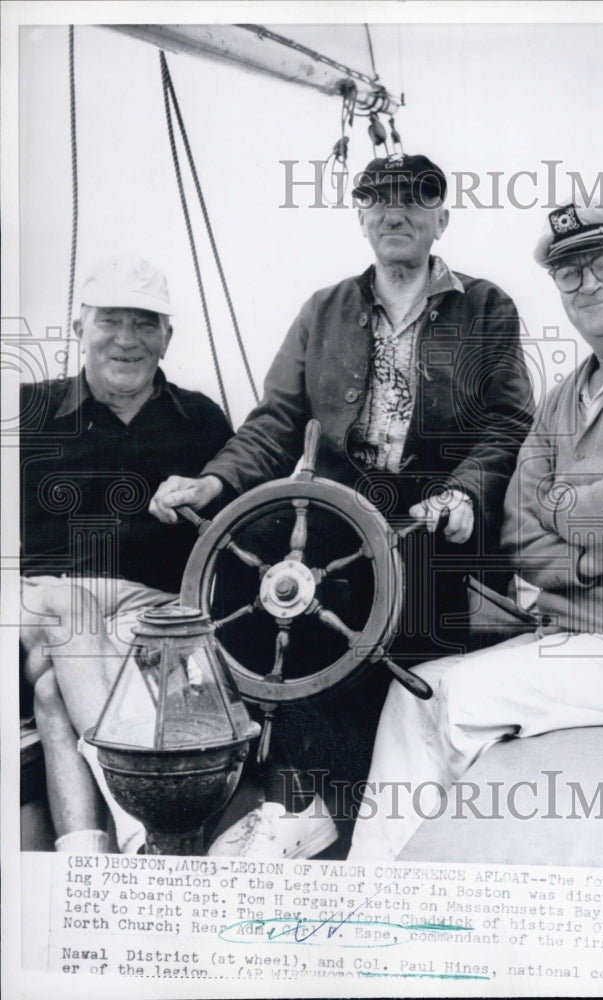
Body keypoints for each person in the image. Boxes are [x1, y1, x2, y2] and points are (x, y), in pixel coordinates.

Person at [149, 154, 535, 858]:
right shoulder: (323, 309)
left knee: (425, 676)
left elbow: (507, 425)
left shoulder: (488, 308)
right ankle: (325, 818)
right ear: (361, 217)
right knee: (291, 642)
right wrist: (214, 483)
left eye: (414, 201)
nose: (395, 214)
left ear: (441, 218)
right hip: (339, 528)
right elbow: (274, 423)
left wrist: (462, 495)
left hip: (441, 528)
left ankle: (406, 839)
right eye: (378, 201)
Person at [347, 202, 603, 861]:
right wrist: (600, 553)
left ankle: (381, 905)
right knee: (411, 690)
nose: (590, 283)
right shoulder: (566, 395)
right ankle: (371, 898)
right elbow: (517, 529)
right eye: (570, 273)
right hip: (585, 634)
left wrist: (565, 510)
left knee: (449, 701)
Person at [20, 253, 233, 853]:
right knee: (70, 607)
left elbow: (230, 541)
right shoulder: (26, 413)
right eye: (111, 321)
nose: (127, 340)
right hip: (38, 604)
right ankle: (148, 825)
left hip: (147, 613)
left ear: (168, 337)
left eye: (145, 323)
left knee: (53, 691)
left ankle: (85, 854)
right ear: (79, 328)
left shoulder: (202, 421)